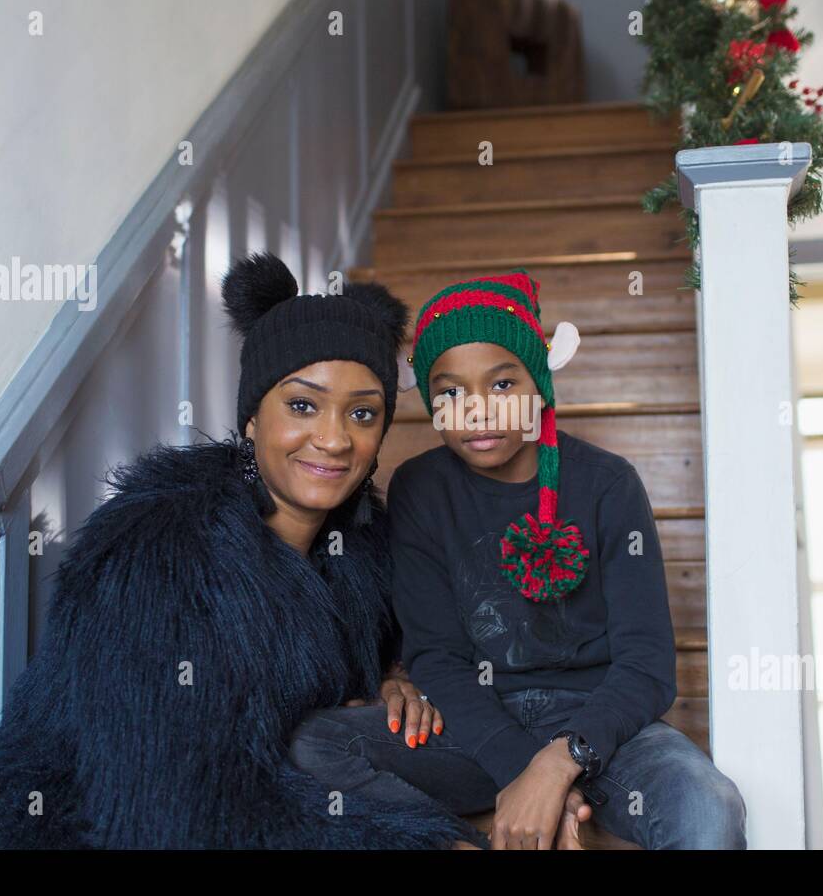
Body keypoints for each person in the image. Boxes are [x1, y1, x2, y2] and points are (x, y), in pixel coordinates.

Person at [0, 251, 481, 849]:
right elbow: (182, 810)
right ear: (252, 419)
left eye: (362, 412)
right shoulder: (165, 552)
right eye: (302, 405)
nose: (335, 439)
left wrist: (397, 674)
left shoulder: (366, 548)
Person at [288, 268, 747, 849]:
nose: (477, 410)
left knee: (709, 804)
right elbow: (437, 657)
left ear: (540, 386)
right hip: (475, 726)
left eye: (502, 385)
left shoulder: (608, 485)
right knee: (315, 744)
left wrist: (557, 767)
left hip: (603, 733)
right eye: (450, 392)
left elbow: (648, 667)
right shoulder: (420, 488)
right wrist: (520, 773)